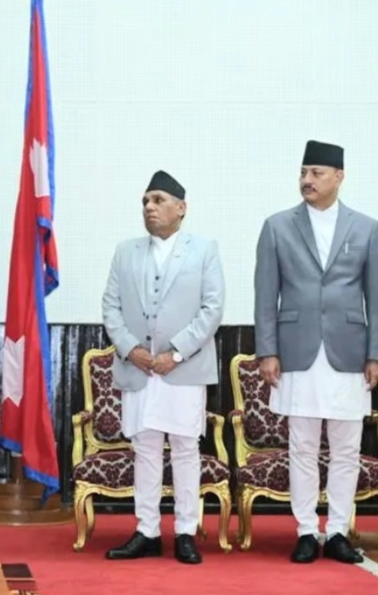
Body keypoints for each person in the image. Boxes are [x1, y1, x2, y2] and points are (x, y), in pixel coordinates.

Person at [254, 140, 378, 564]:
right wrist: (267, 350)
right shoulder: (277, 226)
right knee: (302, 447)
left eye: (316, 173)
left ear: (338, 177)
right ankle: (306, 531)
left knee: (347, 449)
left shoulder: (366, 228)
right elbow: (265, 295)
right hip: (296, 351)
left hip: (349, 352)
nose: (307, 180)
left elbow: (375, 297)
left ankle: (338, 531)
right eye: (303, 173)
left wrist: (375, 353)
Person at [100, 170, 224, 565]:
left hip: (182, 368)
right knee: (146, 449)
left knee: (186, 449)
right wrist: (131, 349)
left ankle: (186, 531)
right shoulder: (126, 251)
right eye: (145, 201)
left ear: (181, 207)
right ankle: (147, 531)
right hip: (139, 368)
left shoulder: (203, 250)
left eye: (158, 200)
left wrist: (177, 353)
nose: (149, 207)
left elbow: (212, 309)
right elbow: (110, 307)